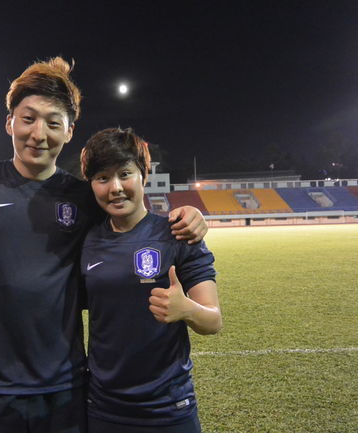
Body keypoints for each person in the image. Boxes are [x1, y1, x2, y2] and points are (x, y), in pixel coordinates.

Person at [0, 57, 208, 433]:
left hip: (65, 387)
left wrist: (190, 217)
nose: (39, 134)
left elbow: (133, 225)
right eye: (28, 119)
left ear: (69, 132)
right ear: (9, 122)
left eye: (53, 123)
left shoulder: (83, 198)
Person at [80, 127, 222, 433]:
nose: (115, 188)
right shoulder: (86, 240)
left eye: (125, 174)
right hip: (103, 407)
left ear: (144, 175)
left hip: (169, 408)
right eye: (102, 178)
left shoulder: (178, 234)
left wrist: (187, 310)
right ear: (91, 184)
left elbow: (213, 321)